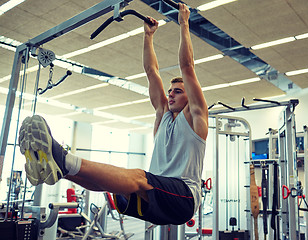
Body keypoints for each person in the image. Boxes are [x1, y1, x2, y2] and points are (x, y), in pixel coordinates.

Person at [19, 3, 208, 225]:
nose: (171, 94)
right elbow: (151, 72)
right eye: (169, 91)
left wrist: (184, 22)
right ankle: (61, 169)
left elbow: (187, 67)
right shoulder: (163, 115)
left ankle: (65, 159)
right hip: (156, 200)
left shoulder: (196, 118)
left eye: (178, 91)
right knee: (113, 183)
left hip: (183, 199)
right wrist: (148, 36)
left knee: (138, 177)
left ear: (190, 98)